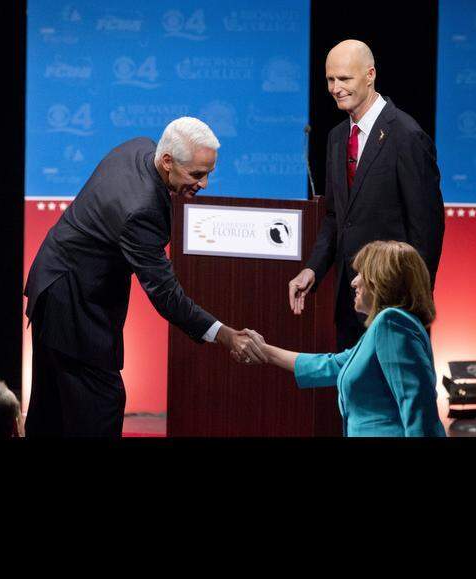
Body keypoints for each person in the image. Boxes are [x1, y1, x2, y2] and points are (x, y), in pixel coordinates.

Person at [23, 117, 265, 437]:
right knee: (100, 406)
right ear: (167, 161)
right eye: (196, 174)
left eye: (209, 172)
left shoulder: (140, 147)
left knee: (51, 410)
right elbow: (166, 295)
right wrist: (225, 335)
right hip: (73, 305)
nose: (204, 183)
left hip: (52, 284)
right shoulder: (141, 210)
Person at [288, 39, 445, 351]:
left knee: (392, 395)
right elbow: (337, 217)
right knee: (354, 394)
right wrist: (313, 269)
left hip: (394, 303)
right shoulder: (336, 138)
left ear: (370, 75)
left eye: (344, 79)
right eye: (330, 79)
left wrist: (413, 301)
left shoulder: (407, 135)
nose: (335, 88)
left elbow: (426, 228)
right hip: (350, 300)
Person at [255, 241, 445, 437]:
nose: (354, 282)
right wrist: (264, 351)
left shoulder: (392, 323)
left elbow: (419, 409)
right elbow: (330, 365)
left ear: (381, 278)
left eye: (361, 273)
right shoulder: (381, 330)